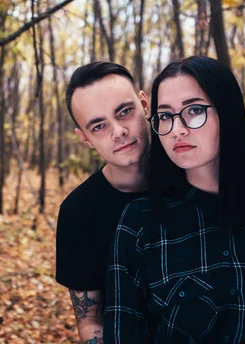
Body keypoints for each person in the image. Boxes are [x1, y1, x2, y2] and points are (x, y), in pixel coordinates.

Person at [104, 56, 245, 343]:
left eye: (193, 110)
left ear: (227, 113)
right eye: (165, 115)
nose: (177, 129)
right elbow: (122, 333)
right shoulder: (140, 222)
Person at [56, 61, 151, 343]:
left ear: (144, 105)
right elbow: (90, 321)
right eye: (98, 126)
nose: (118, 131)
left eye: (124, 112)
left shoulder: (193, 180)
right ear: (84, 138)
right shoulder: (77, 212)